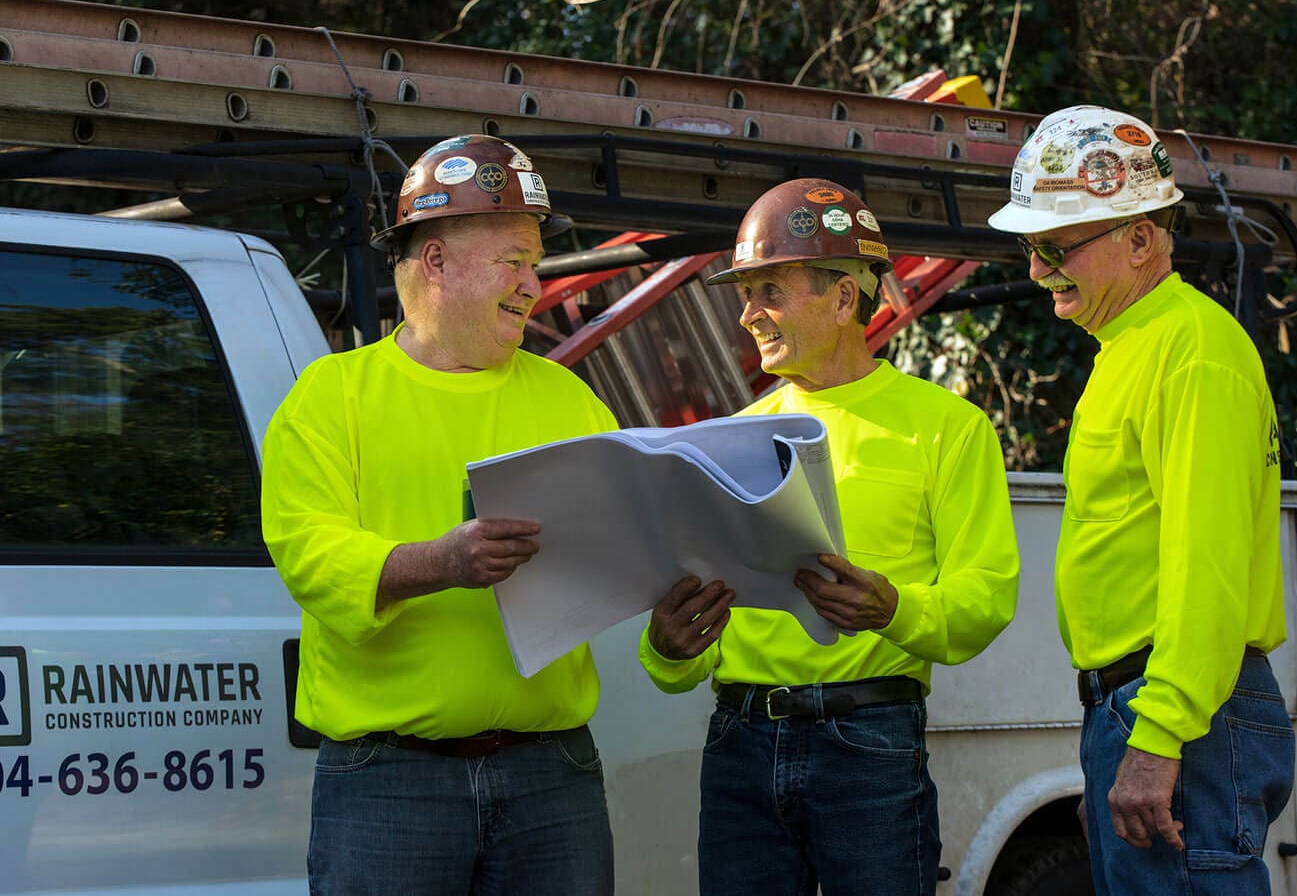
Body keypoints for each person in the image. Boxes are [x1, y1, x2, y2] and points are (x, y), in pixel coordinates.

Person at [641, 178, 1021, 895]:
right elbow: (687, 647)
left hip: (870, 746)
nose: (749, 315)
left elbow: (987, 597)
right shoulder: (730, 438)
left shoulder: (947, 427)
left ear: (844, 298)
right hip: (739, 743)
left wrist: (893, 610)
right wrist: (666, 649)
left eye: (770, 292)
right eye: (745, 294)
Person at [261, 134, 617, 895]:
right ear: (437, 262)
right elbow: (309, 555)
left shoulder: (572, 402)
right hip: (387, 782)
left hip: (553, 774)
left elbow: (628, 551)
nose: (534, 282)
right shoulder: (332, 399)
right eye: (513, 260)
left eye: (534, 260)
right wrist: (442, 563)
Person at [988, 105, 1292, 895]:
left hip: (1180, 708)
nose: (1036, 269)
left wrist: (1155, 740)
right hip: (1161, 707)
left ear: (1139, 237)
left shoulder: (1189, 349)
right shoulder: (1140, 346)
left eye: (1056, 247)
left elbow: (1208, 563)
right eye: (1030, 248)